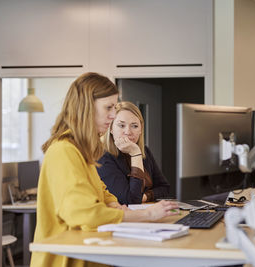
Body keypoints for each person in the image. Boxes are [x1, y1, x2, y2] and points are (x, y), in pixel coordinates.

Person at [30, 73, 178, 267]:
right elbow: (85, 213)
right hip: (67, 260)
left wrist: (112, 205)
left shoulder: (82, 150)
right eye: (108, 108)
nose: (113, 115)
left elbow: (103, 193)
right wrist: (146, 214)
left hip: (89, 254)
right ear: (86, 108)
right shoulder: (63, 151)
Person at [97, 101, 170, 205]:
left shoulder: (144, 151)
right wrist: (135, 154)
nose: (128, 132)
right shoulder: (102, 156)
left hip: (146, 213)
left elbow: (164, 188)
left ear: (141, 129)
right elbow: (130, 201)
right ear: (111, 128)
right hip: (122, 218)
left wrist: (144, 196)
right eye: (121, 125)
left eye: (134, 126)